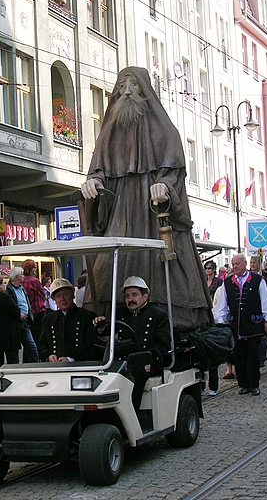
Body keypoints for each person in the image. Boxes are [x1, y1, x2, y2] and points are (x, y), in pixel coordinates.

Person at [80, 66, 213, 333]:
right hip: (120, 209)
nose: (127, 91)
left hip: (154, 212)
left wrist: (163, 183)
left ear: (145, 89)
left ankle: (171, 318)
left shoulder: (163, 129)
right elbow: (98, 169)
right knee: (108, 266)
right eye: (121, 87)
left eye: (133, 86)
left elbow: (173, 168)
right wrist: (94, 181)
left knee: (164, 260)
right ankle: (109, 318)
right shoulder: (108, 133)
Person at [93, 276, 171, 410]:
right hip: (122, 360)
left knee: (134, 374)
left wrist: (149, 358)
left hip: (145, 361)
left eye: (134, 295)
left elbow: (163, 345)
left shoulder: (158, 315)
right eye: (127, 296)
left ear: (145, 297)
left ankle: (131, 414)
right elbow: (108, 331)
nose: (131, 300)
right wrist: (100, 325)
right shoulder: (121, 314)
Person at [214, 253, 267, 396]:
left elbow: (265, 300)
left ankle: (254, 385)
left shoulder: (257, 279)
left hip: (254, 324)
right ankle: (243, 384)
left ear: (245, 264)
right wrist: (222, 321)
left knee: (253, 355)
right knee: (239, 357)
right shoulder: (227, 282)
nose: (235, 266)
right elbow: (222, 304)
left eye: (237, 264)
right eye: (233, 264)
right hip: (236, 326)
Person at [39, 278, 96, 362]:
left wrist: (71, 359)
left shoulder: (86, 316)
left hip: (80, 366)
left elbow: (90, 344)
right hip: (55, 367)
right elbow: (42, 344)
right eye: (58, 296)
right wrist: (49, 356)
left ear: (73, 295)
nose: (62, 299)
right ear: (54, 300)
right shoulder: (48, 320)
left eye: (65, 294)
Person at [6, 266, 39, 363]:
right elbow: (10, 307)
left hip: (25, 322)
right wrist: (18, 314)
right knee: (14, 350)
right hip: (15, 323)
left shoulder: (21, 288)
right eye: (22, 275)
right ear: (17, 277)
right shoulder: (9, 291)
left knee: (32, 347)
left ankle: (35, 366)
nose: (23, 277)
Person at [204, 261, 223, 396]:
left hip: (214, 317)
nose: (207, 270)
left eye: (210, 268)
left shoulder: (219, 282)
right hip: (203, 317)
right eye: (206, 268)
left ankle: (213, 386)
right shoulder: (202, 281)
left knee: (212, 352)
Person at [22, 259, 46, 348]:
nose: (35, 270)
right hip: (37, 310)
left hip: (27, 312)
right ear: (31, 268)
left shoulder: (21, 281)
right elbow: (43, 294)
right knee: (38, 337)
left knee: (28, 340)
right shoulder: (34, 281)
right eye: (34, 267)